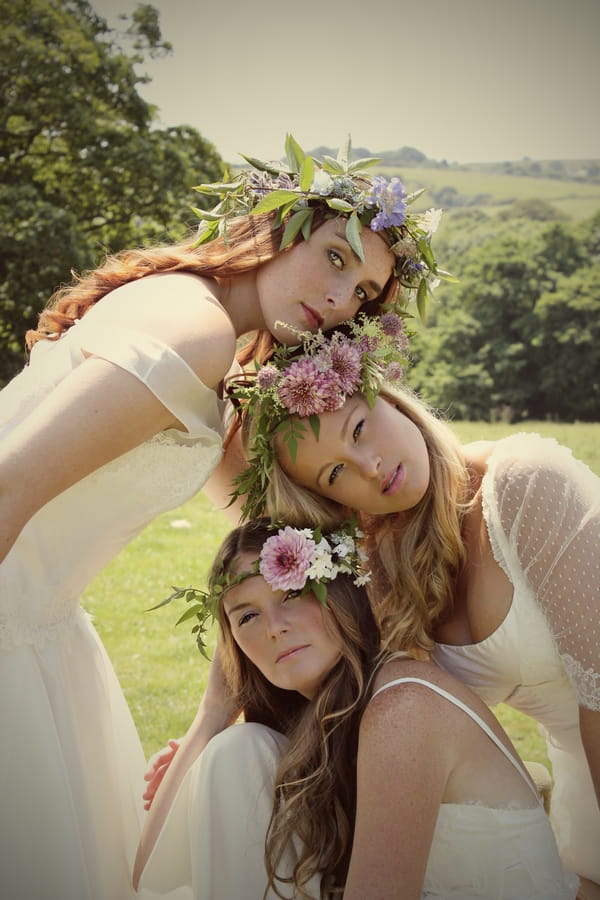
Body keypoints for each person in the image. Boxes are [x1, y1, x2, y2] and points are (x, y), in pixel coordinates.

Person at [0, 134, 445, 900]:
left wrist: (220, 712)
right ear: (272, 225)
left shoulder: (206, 341)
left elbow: (271, 526)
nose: (344, 299)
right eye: (337, 257)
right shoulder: (195, 330)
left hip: (42, 633)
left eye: (365, 293)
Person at [222, 317, 600, 890]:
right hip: (582, 792)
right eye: (335, 473)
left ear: (390, 398)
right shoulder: (380, 568)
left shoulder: (526, 488)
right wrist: (211, 731)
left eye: (358, 429)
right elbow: (327, 688)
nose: (370, 466)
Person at [135, 518, 579, 899]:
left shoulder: (404, 709)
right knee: (236, 750)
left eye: (291, 593)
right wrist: (213, 712)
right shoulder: (314, 737)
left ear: (339, 589)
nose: (274, 628)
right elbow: (147, 879)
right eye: (246, 617)